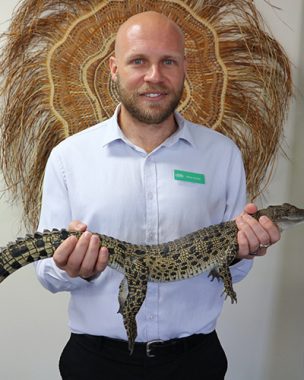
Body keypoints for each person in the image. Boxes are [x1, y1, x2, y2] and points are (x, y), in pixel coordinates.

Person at [35, 11, 280, 380]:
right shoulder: (69, 156)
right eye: (139, 61)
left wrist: (242, 253)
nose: (154, 76)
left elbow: (235, 269)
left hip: (194, 361)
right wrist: (71, 268)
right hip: (96, 363)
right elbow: (47, 272)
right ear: (114, 68)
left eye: (168, 61)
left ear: (184, 68)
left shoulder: (222, 153)